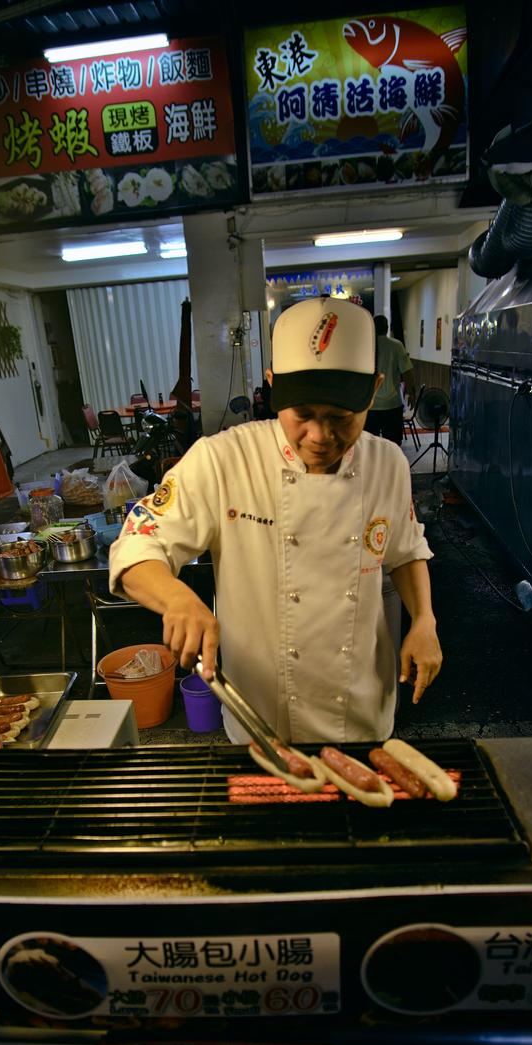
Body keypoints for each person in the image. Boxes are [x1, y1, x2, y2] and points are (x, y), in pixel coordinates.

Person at [108, 296, 442, 746]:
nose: (320, 436)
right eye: (302, 415)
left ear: (376, 388)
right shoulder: (223, 459)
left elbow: (405, 551)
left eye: (341, 419)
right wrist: (176, 599)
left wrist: (425, 620)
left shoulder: (388, 464)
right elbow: (138, 544)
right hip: (262, 717)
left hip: (361, 708)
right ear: (271, 386)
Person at [366, 314, 416, 445]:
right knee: (393, 444)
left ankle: (373, 466)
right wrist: (411, 392)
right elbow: (407, 372)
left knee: (370, 446)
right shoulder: (396, 346)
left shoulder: (366, 346)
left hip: (370, 406)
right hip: (392, 405)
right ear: (387, 328)